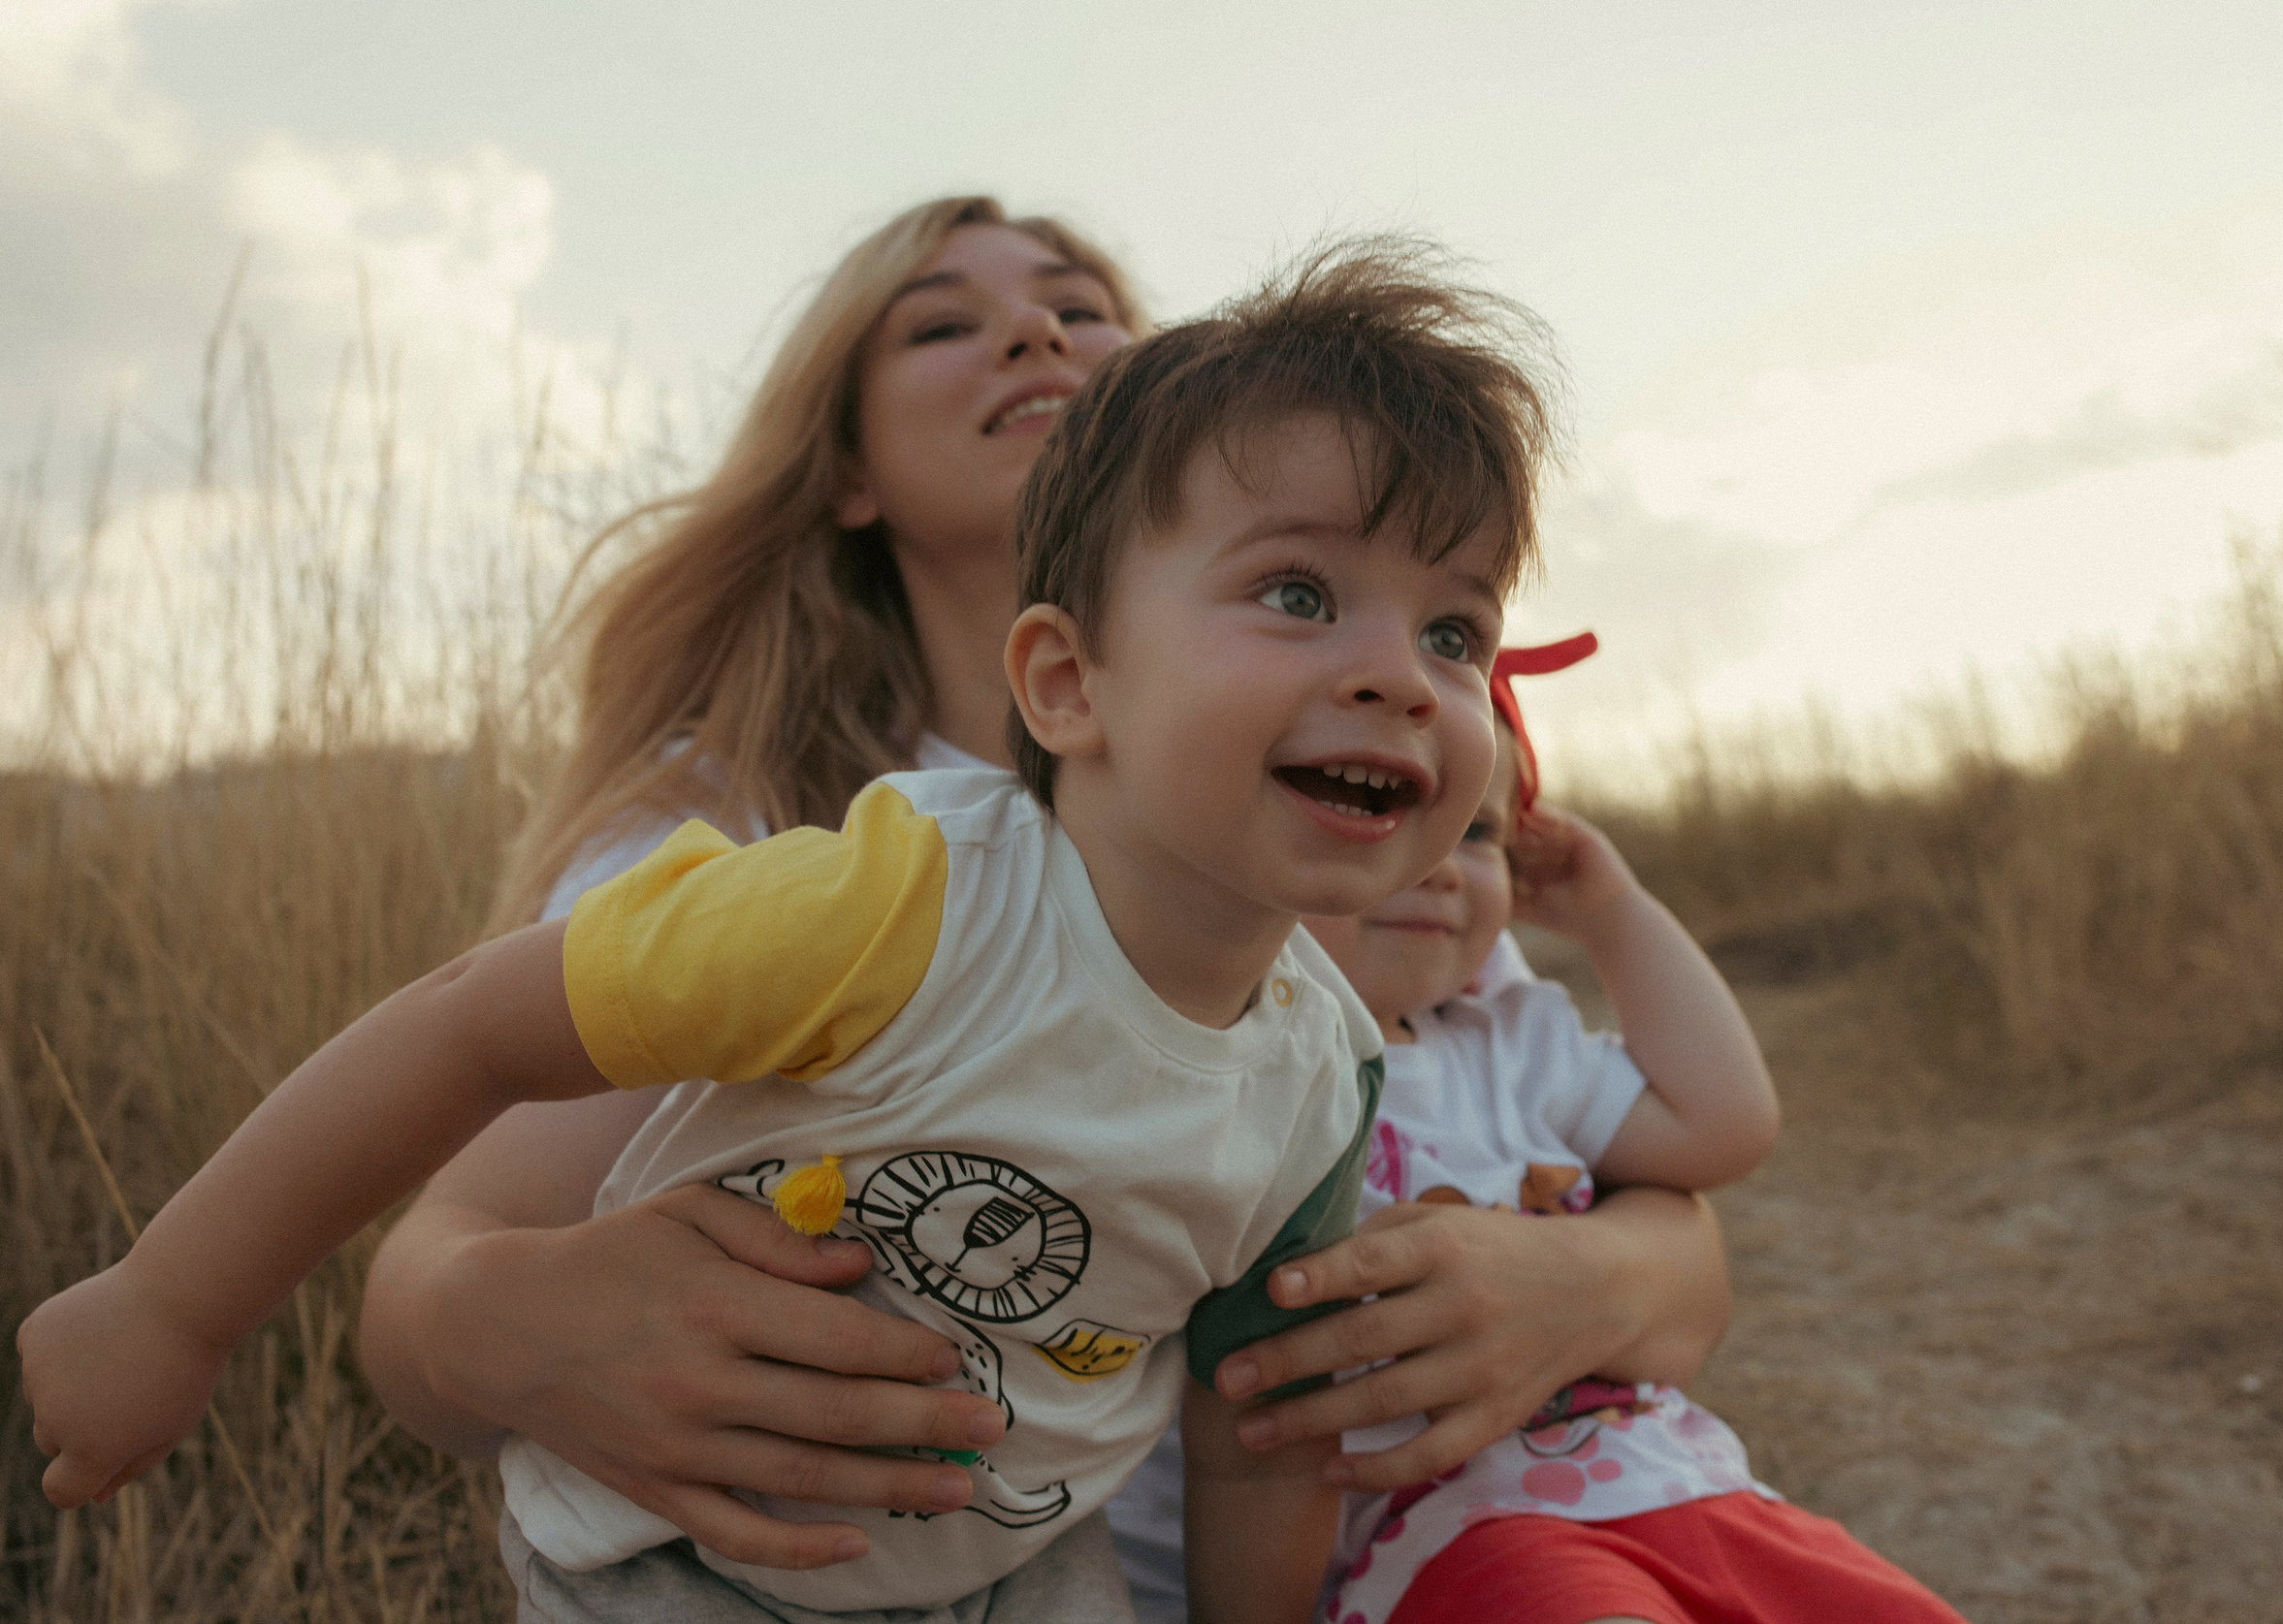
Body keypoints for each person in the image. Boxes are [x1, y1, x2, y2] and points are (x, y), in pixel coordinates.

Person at [17, 241, 1547, 1624]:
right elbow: (474, 1024)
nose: (1403, 675)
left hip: (1019, 1562)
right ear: (1069, 680)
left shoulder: (1324, 1064)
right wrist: (171, 1304)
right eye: (1299, 590)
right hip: (684, 1560)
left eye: (1455, 631)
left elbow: (1254, 1428)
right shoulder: (877, 892)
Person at [344, 198, 1730, 1611]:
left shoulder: (1342, 819)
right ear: (846, 470)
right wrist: (499, 1323)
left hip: (1483, 1536)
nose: (1034, 330)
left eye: (1082, 308)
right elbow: (426, 1290)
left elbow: (1671, 1226)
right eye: (945, 323)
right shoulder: (771, 846)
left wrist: (1590, 1281)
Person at [1298, 647, 1967, 1624]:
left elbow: (1724, 1128)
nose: (1440, 864)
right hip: (1470, 1533)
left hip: (1695, 1485)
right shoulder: (1258, 1076)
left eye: (1477, 830)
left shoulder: (1511, 1045)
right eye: (1383, 805)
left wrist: (1613, 915)